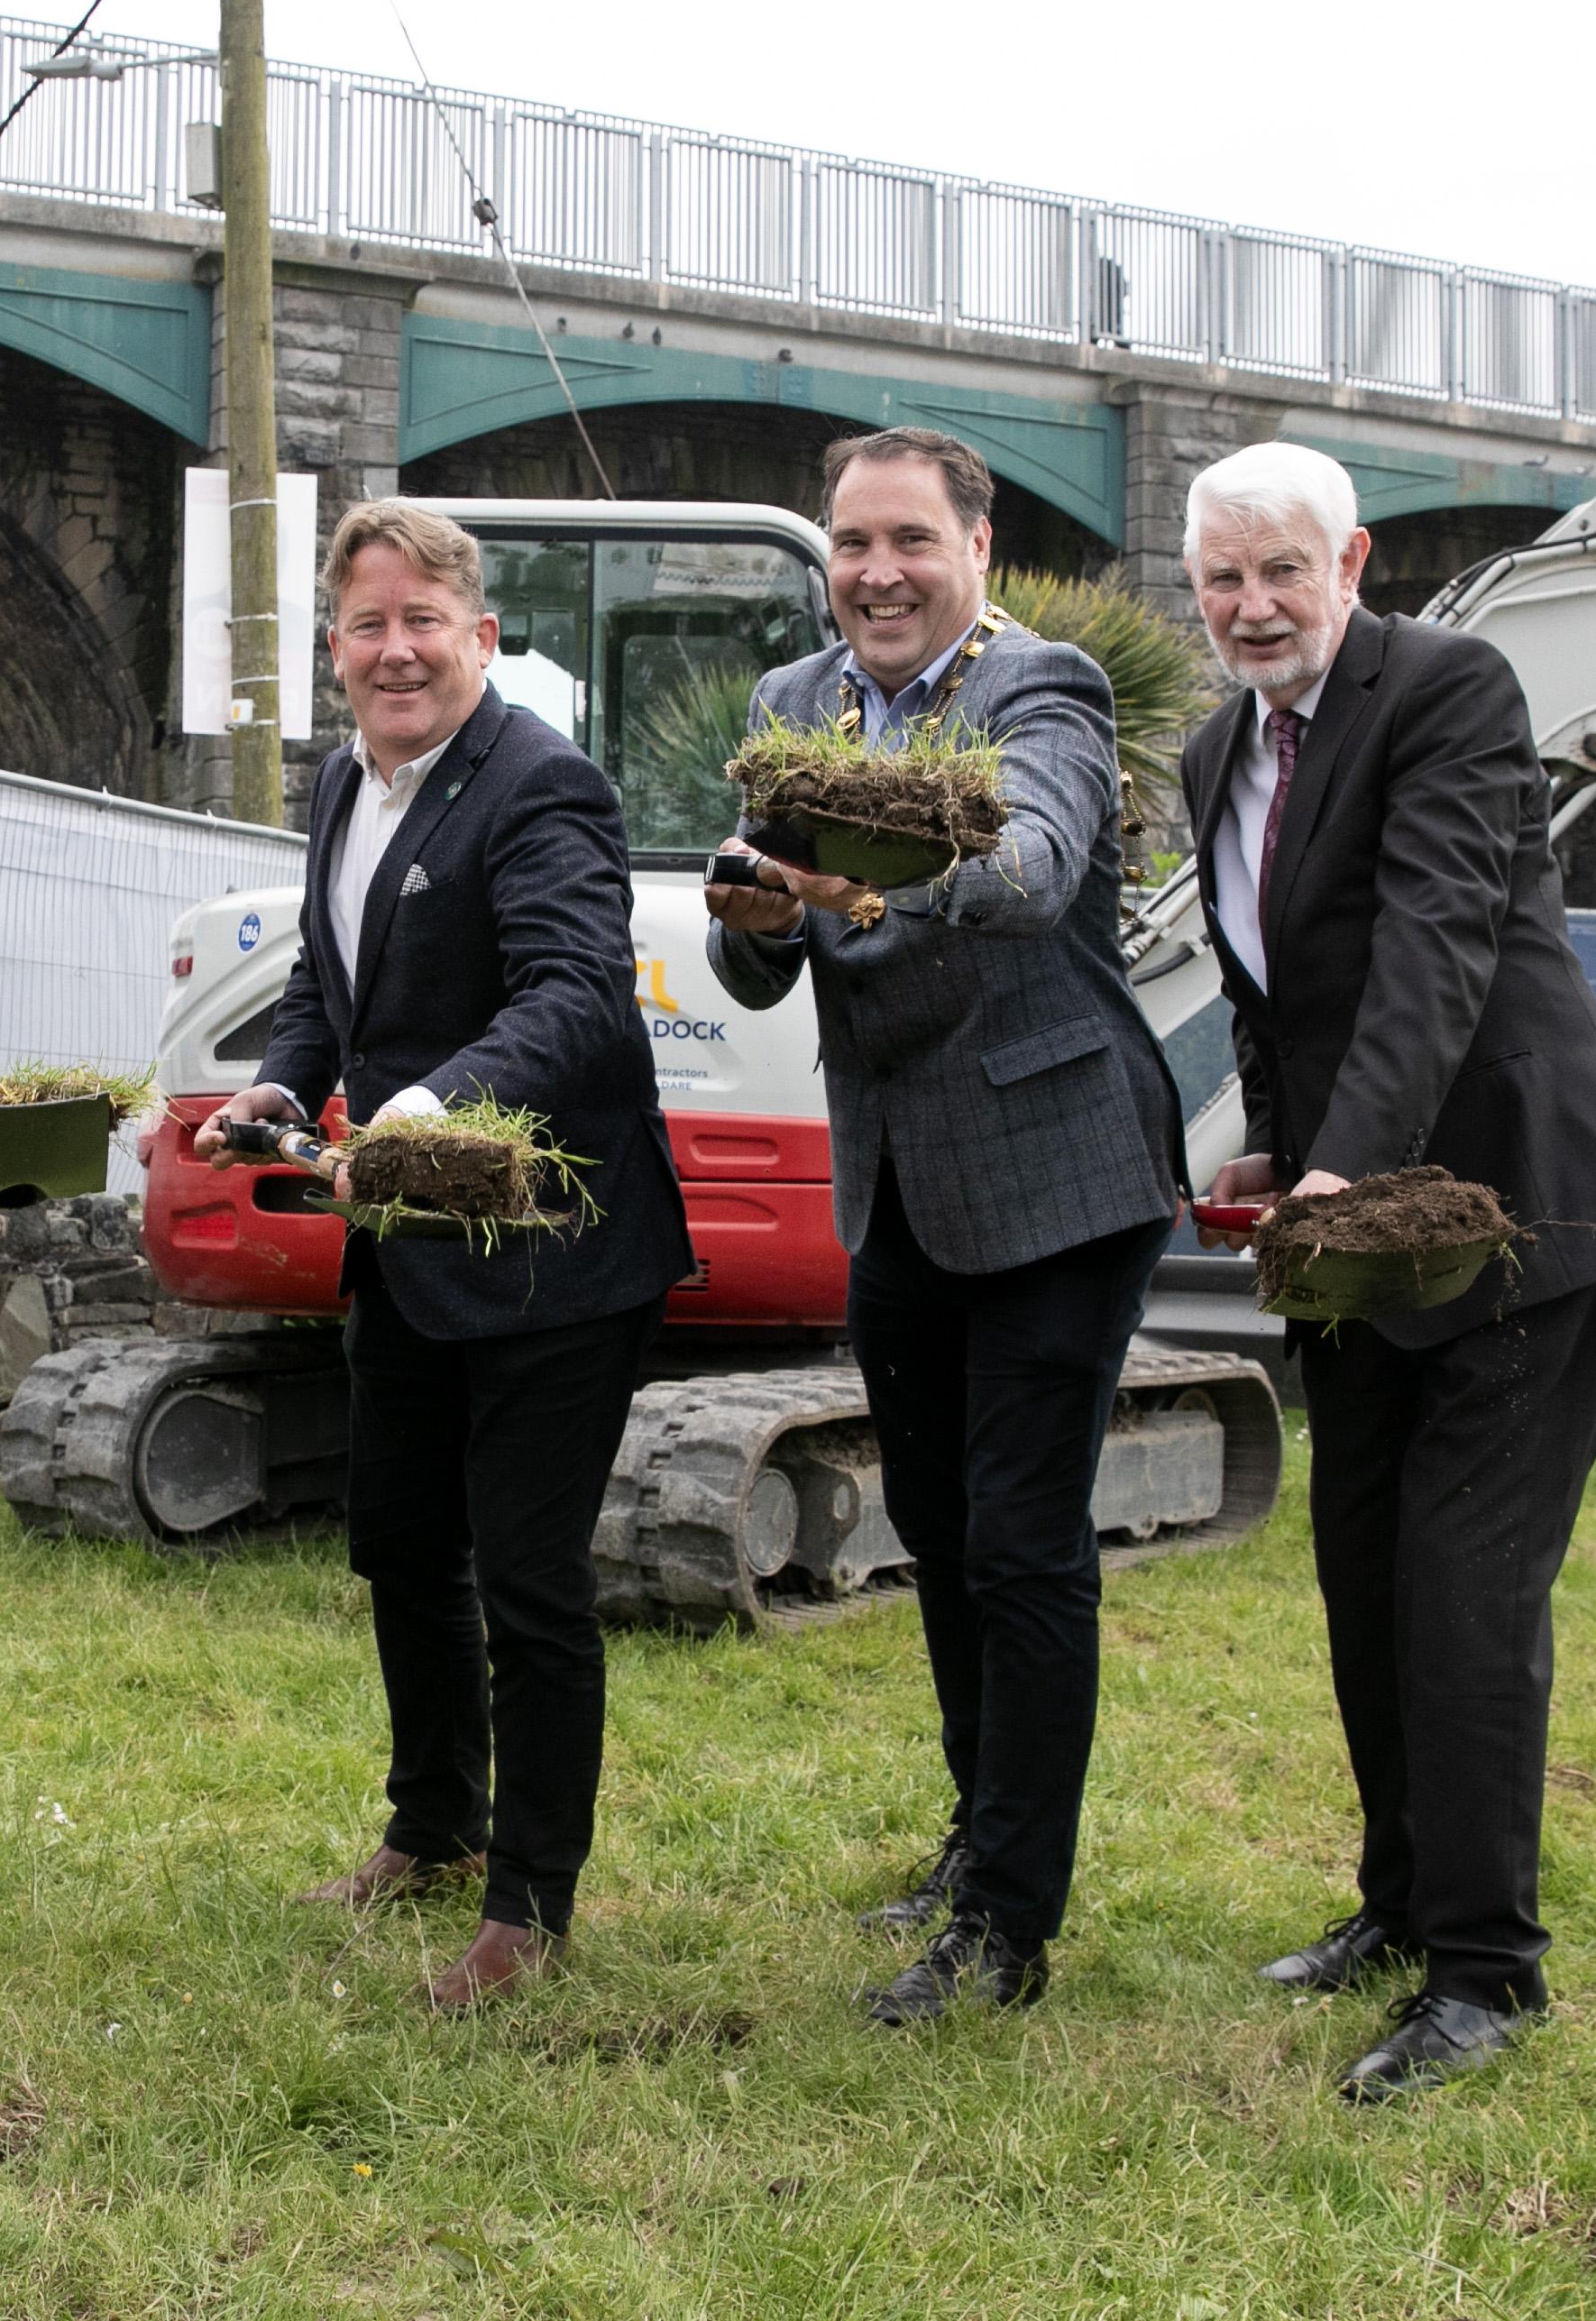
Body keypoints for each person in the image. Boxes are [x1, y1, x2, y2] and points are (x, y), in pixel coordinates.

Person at [1173, 440, 1596, 2102]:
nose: (1252, 607)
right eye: (1223, 579)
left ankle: (1487, 1973)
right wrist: (1271, 1143)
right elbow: (1276, 992)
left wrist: (1346, 1158)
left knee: (1463, 1596)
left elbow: (1434, 937)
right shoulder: (1211, 753)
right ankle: (1397, 1904)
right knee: (1364, 1578)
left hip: (1517, 1221)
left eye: (1280, 573)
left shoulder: (1451, 687)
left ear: (1352, 562)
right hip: (1358, 1242)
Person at [703, 426, 1186, 2026]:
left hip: (1059, 1165)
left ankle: (1008, 1926)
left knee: (1027, 1539)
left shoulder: (1041, 690)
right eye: (852, 542)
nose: (877, 571)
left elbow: (1032, 872)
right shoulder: (792, 706)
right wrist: (761, 914)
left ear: (976, 547)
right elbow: (767, 972)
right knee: (945, 1528)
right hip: (897, 1172)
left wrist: (855, 883)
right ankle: (983, 1839)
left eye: (910, 539)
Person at [197, 499, 693, 2010]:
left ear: (484, 636)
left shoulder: (545, 786)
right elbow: (328, 984)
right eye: (368, 623)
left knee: (532, 1583)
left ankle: (527, 1905)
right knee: (403, 1542)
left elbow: (578, 1000)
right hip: (407, 1245)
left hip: (553, 1247)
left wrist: (418, 1106)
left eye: (427, 620)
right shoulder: (347, 781)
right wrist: (285, 1082)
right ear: (334, 649)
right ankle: (432, 1828)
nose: (396, 648)